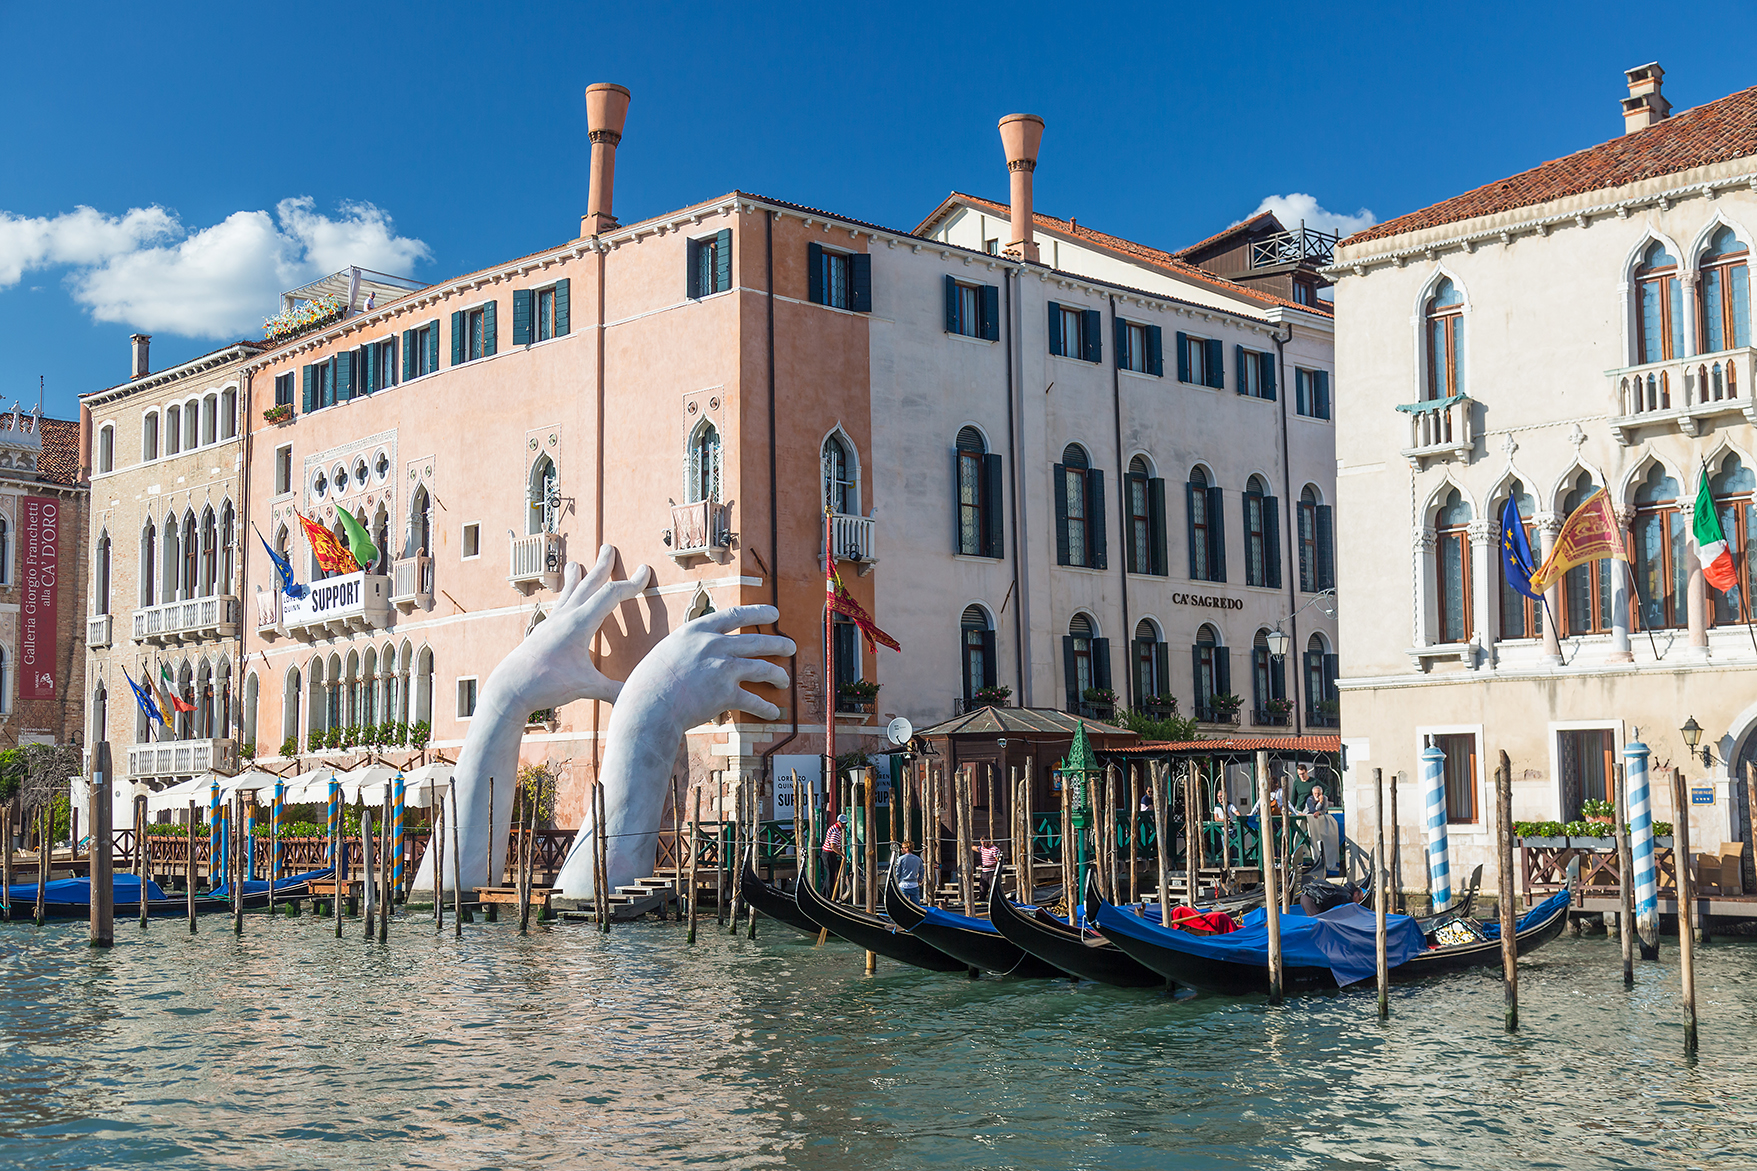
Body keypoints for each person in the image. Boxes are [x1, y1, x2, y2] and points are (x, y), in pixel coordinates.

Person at [821, 814, 845, 895]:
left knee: (829, 874)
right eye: (842, 823)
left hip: (827, 853)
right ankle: (829, 895)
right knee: (830, 875)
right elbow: (833, 846)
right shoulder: (836, 832)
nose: (844, 825)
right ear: (838, 822)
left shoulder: (834, 828)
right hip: (829, 854)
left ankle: (824, 893)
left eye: (845, 823)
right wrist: (842, 854)